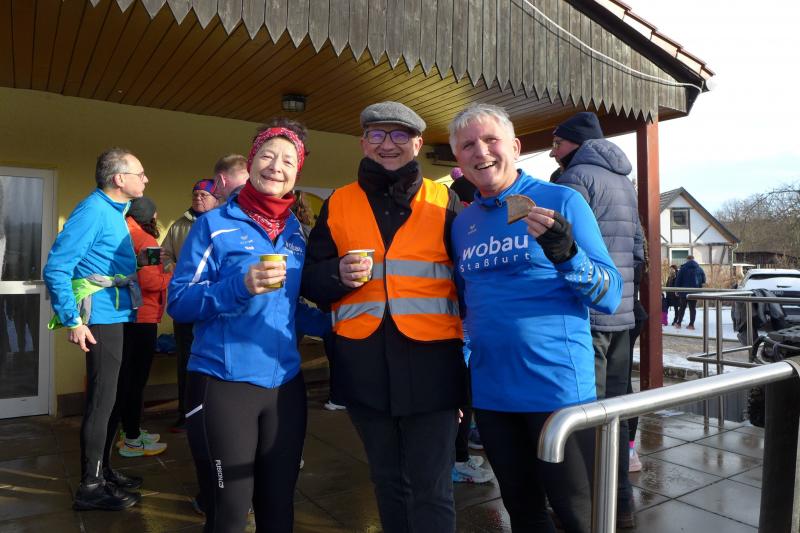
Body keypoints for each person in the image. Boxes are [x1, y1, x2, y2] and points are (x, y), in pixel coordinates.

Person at [449, 103, 622, 532]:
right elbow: (469, 305)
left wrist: (567, 254)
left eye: (491, 140)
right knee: (523, 513)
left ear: (515, 147)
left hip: (557, 392)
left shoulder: (562, 200)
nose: (480, 151)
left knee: (580, 516)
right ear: (458, 159)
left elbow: (610, 296)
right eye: (468, 145)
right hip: (492, 395)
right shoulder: (463, 223)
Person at [302, 101, 467, 533]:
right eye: (377, 134)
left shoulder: (447, 201)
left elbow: (471, 284)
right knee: (387, 481)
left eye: (399, 135)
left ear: (417, 143)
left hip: (433, 368)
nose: (387, 144)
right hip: (364, 366)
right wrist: (335, 275)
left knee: (432, 487)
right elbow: (310, 280)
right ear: (363, 143)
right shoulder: (338, 202)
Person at [168, 119, 324, 533]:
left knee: (279, 508)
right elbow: (179, 302)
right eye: (268, 156)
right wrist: (239, 286)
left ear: (297, 172)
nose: (276, 166)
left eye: (288, 160)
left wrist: (341, 323)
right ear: (251, 162)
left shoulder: (296, 233)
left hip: (285, 387)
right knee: (229, 512)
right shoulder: (213, 224)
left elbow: (289, 309)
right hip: (223, 385)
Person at [550, 110, 643, 528]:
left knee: (585, 415)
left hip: (588, 314)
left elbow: (560, 245)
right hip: (621, 313)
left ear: (577, 143)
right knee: (616, 412)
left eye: (557, 144)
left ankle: (589, 508)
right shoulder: (624, 181)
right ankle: (621, 501)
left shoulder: (575, 179)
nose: (553, 153)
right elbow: (638, 247)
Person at [43, 148, 150, 511]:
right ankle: (90, 486)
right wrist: (73, 320)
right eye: (140, 173)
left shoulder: (115, 211)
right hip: (100, 317)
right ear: (119, 179)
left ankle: (104, 471)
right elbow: (57, 267)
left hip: (118, 313)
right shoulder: (93, 210)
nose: (146, 179)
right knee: (102, 400)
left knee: (114, 397)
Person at [111, 196, 170, 457]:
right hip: (143, 316)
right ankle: (133, 439)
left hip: (124, 314)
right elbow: (151, 283)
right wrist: (171, 274)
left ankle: (129, 431)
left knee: (126, 377)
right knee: (136, 379)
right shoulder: (145, 240)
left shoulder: (122, 233)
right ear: (149, 216)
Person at [448, 170, 493, 485]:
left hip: (460, 322)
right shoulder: (463, 226)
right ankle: (458, 460)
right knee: (463, 394)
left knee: (463, 394)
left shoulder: (459, 225)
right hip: (461, 325)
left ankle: (459, 456)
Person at [162, 179, 219, 432]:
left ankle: (214, 413)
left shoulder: (223, 223)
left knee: (213, 358)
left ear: (216, 199)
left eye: (204, 195)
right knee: (186, 360)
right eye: (195, 194)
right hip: (187, 303)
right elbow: (164, 255)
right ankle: (185, 414)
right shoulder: (179, 226)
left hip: (213, 303)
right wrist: (171, 267)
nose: (198, 198)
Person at [627, 262, 648, 472]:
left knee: (619, 387)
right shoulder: (638, 249)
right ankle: (629, 449)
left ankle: (628, 450)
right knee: (624, 384)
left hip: (619, 315)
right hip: (630, 311)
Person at [674, 255, 706, 329]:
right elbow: (703, 280)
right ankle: (691, 325)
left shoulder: (683, 268)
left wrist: (676, 289)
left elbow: (678, 279)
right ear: (693, 259)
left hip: (683, 292)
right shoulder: (699, 268)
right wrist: (699, 287)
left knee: (682, 307)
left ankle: (679, 323)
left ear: (687, 260)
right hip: (694, 292)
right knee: (692, 308)